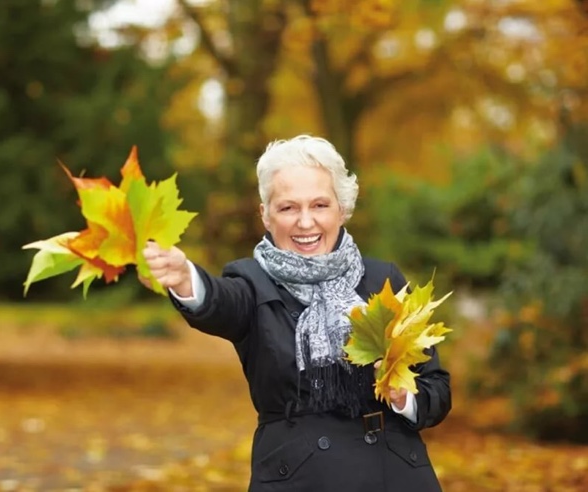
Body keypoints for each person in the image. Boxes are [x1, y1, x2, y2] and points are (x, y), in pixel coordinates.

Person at [142, 135, 451, 491]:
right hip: (301, 477)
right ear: (266, 215)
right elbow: (220, 303)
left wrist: (404, 399)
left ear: (342, 208)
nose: (306, 222)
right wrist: (185, 279)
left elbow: (437, 388)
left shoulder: (383, 280)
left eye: (319, 205)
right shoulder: (251, 282)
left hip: (394, 474)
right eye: (288, 208)